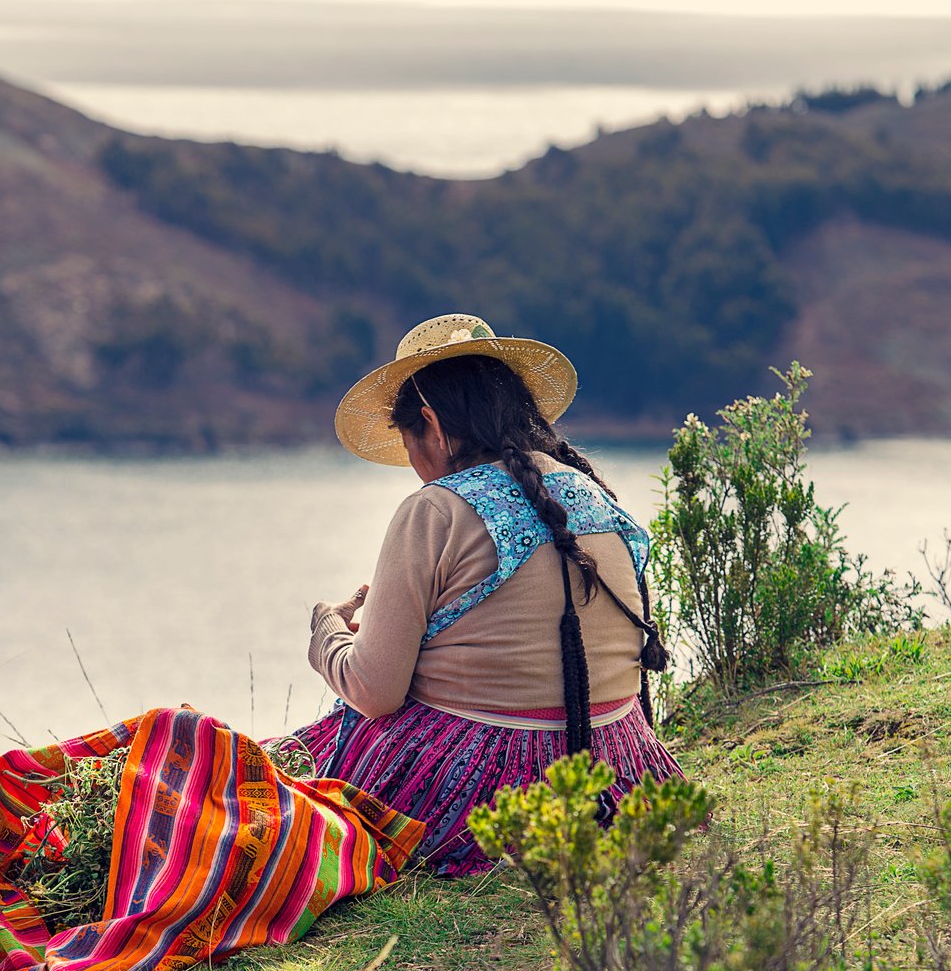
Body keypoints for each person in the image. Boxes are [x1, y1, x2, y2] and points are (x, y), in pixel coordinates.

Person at [293, 313, 685, 875]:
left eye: (407, 440)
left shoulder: (434, 509)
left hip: (492, 780)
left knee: (317, 743)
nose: (413, 466)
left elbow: (373, 690)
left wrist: (327, 628)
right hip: (615, 767)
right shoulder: (592, 491)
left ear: (427, 420)